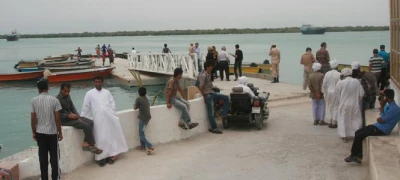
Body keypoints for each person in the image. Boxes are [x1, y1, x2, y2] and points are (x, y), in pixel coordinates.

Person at [81, 76, 128, 167]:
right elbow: (86, 107)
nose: (98, 83)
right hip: (97, 119)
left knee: (110, 137)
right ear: (94, 82)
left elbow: (112, 104)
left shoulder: (107, 92)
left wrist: (112, 114)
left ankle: (111, 156)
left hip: (109, 118)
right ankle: (101, 158)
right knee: (100, 138)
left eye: (99, 82)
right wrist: (83, 117)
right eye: (96, 82)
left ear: (102, 82)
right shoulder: (89, 93)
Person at [344, 89, 400, 164]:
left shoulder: (394, 109)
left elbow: (381, 119)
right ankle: (357, 156)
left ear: (386, 97)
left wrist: (380, 114)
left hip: (382, 130)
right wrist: (382, 106)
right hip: (378, 126)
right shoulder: (390, 106)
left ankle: (355, 156)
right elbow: (382, 114)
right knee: (358, 132)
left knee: (359, 134)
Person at [56, 83, 102, 154]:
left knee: (91, 122)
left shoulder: (68, 96)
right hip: (65, 120)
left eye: (68, 91)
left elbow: (72, 107)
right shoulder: (57, 100)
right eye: (65, 91)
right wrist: (68, 116)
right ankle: (92, 145)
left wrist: (77, 115)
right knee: (86, 125)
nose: (67, 93)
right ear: (61, 90)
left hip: (72, 117)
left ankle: (86, 143)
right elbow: (57, 114)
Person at [30, 80, 63, 180]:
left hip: (40, 133)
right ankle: (55, 178)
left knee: (43, 159)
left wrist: (34, 132)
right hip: (52, 133)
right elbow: (57, 119)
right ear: (48, 88)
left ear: (38, 89)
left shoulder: (34, 100)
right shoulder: (54, 100)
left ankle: (44, 178)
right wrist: (60, 132)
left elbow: (33, 118)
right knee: (54, 159)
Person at [199, 61, 230, 134]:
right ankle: (214, 128)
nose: (212, 68)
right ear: (207, 67)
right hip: (208, 95)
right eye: (211, 67)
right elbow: (200, 86)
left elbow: (208, 84)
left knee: (226, 98)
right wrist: (204, 96)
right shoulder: (203, 75)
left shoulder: (209, 74)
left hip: (212, 92)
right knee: (211, 113)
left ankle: (223, 114)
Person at [335, 68, 365, 143]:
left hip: (344, 104)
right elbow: (362, 94)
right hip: (354, 104)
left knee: (343, 119)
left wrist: (340, 102)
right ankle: (356, 135)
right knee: (356, 119)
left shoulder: (341, 83)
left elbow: (337, 94)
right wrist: (357, 101)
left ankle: (344, 136)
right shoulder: (356, 82)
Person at [134, 87, 156, 155]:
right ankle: (143, 147)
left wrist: (137, 105)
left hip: (143, 119)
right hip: (147, 118)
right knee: (142, 133)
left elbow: (135, 108)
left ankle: (150, 146)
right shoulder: (147, 98)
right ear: (145, 93)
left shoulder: (138, 99)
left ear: (138, 92)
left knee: (141, 135)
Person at [321, 60, 341, 128]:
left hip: (328, 92)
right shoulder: (339, 74)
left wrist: (324, 92)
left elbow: (324, 84)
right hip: (336, 93)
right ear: (337, 66)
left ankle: (329, 121)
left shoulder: (327, 73)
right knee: (336, 107)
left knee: (329, 106)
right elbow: (340, 85)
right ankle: (334, 122)